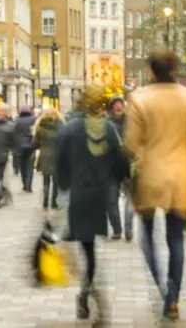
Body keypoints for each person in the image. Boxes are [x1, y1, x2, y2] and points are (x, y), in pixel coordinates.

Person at [124, 48, 186, 319]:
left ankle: (160, 283)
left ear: (150, 70)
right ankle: (173, 297)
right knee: (175, 239)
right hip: (182, 176)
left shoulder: (138, 98)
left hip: (150, 175)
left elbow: (131, 144)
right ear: (175, 68)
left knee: (146, 234)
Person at [56, 84, 129, 324]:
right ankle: (88, 292)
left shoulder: (68, 130)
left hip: (76, 196)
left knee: (81, 247)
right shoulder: (106, 128)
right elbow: (120, 162)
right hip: (97, 196)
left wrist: (62, 193)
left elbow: (60, 167)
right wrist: (116, 180)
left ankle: (87, 292)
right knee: (90, 250)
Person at [106, 95, 131, 240]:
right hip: (112, 167)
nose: (118, 107)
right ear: (111, 109)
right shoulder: (106, 124)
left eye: (120, 105)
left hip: (129, 165)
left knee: (130, 199)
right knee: (111, 200)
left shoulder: (132, 122)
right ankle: (117, 229)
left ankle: (128, 229)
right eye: (115, 105)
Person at [32, 107, 64, 210]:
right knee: (56, 181)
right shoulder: (61, 127)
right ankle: (54, 201)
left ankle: (45, 200)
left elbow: (34, 143)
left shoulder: (40, 126)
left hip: (44, 155)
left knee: (45, 179)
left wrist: (40, 147)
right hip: (57, 155)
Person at [15, 105, 36, 192]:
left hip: (20, 146)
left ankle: (24, 184)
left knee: (22, 166)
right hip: (31, 145)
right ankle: (29, 185)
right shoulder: (33, 119)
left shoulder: (17, 120)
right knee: (30, 166)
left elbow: (14, 132)